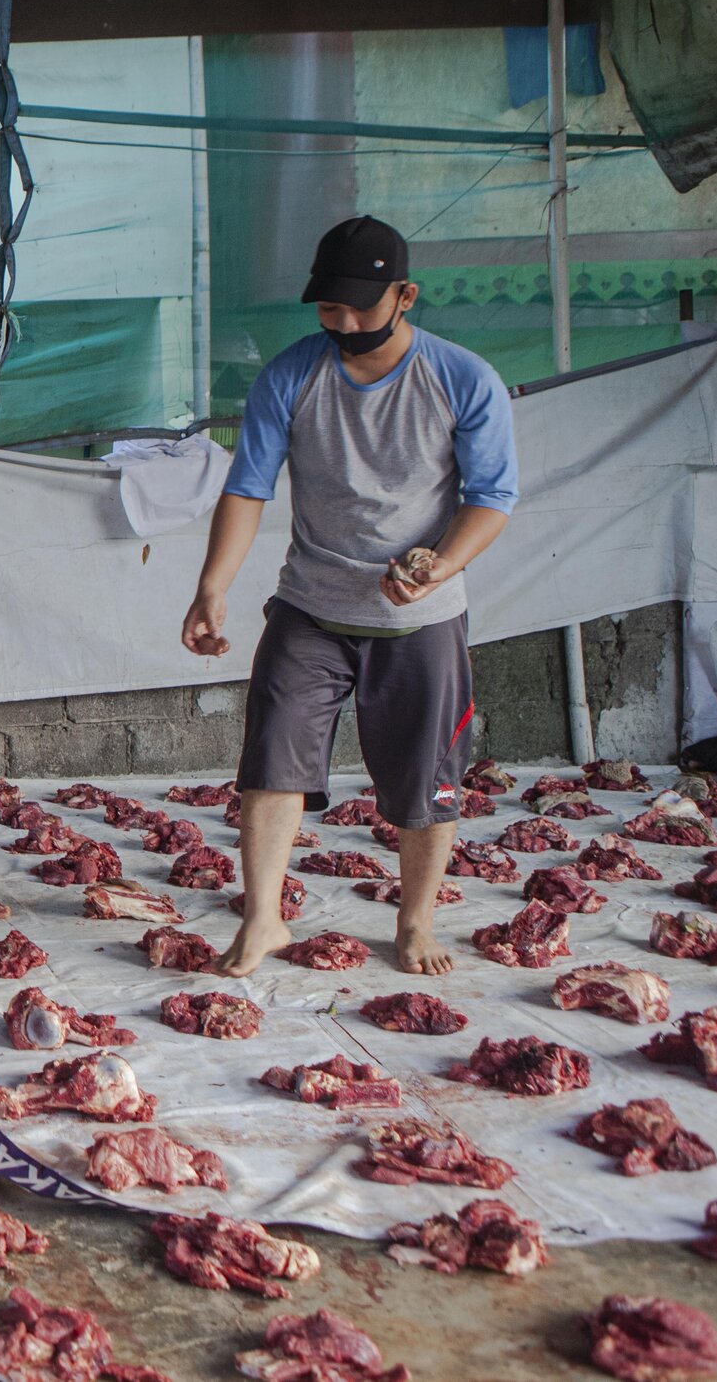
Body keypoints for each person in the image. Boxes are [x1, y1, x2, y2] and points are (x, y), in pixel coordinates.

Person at [180, 217, 517, 979]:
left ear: (406, 295)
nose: (347, 324)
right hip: (311, 606)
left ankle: (414, 921)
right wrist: (213, 586)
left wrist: (438, 565)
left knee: (427, 781)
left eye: (364, 307)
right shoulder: (293, 375)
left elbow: (492, 497)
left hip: (418, 615)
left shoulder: (463, 379)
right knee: (272, 762)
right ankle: (263, 917)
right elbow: (247, 486)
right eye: (331, 309)